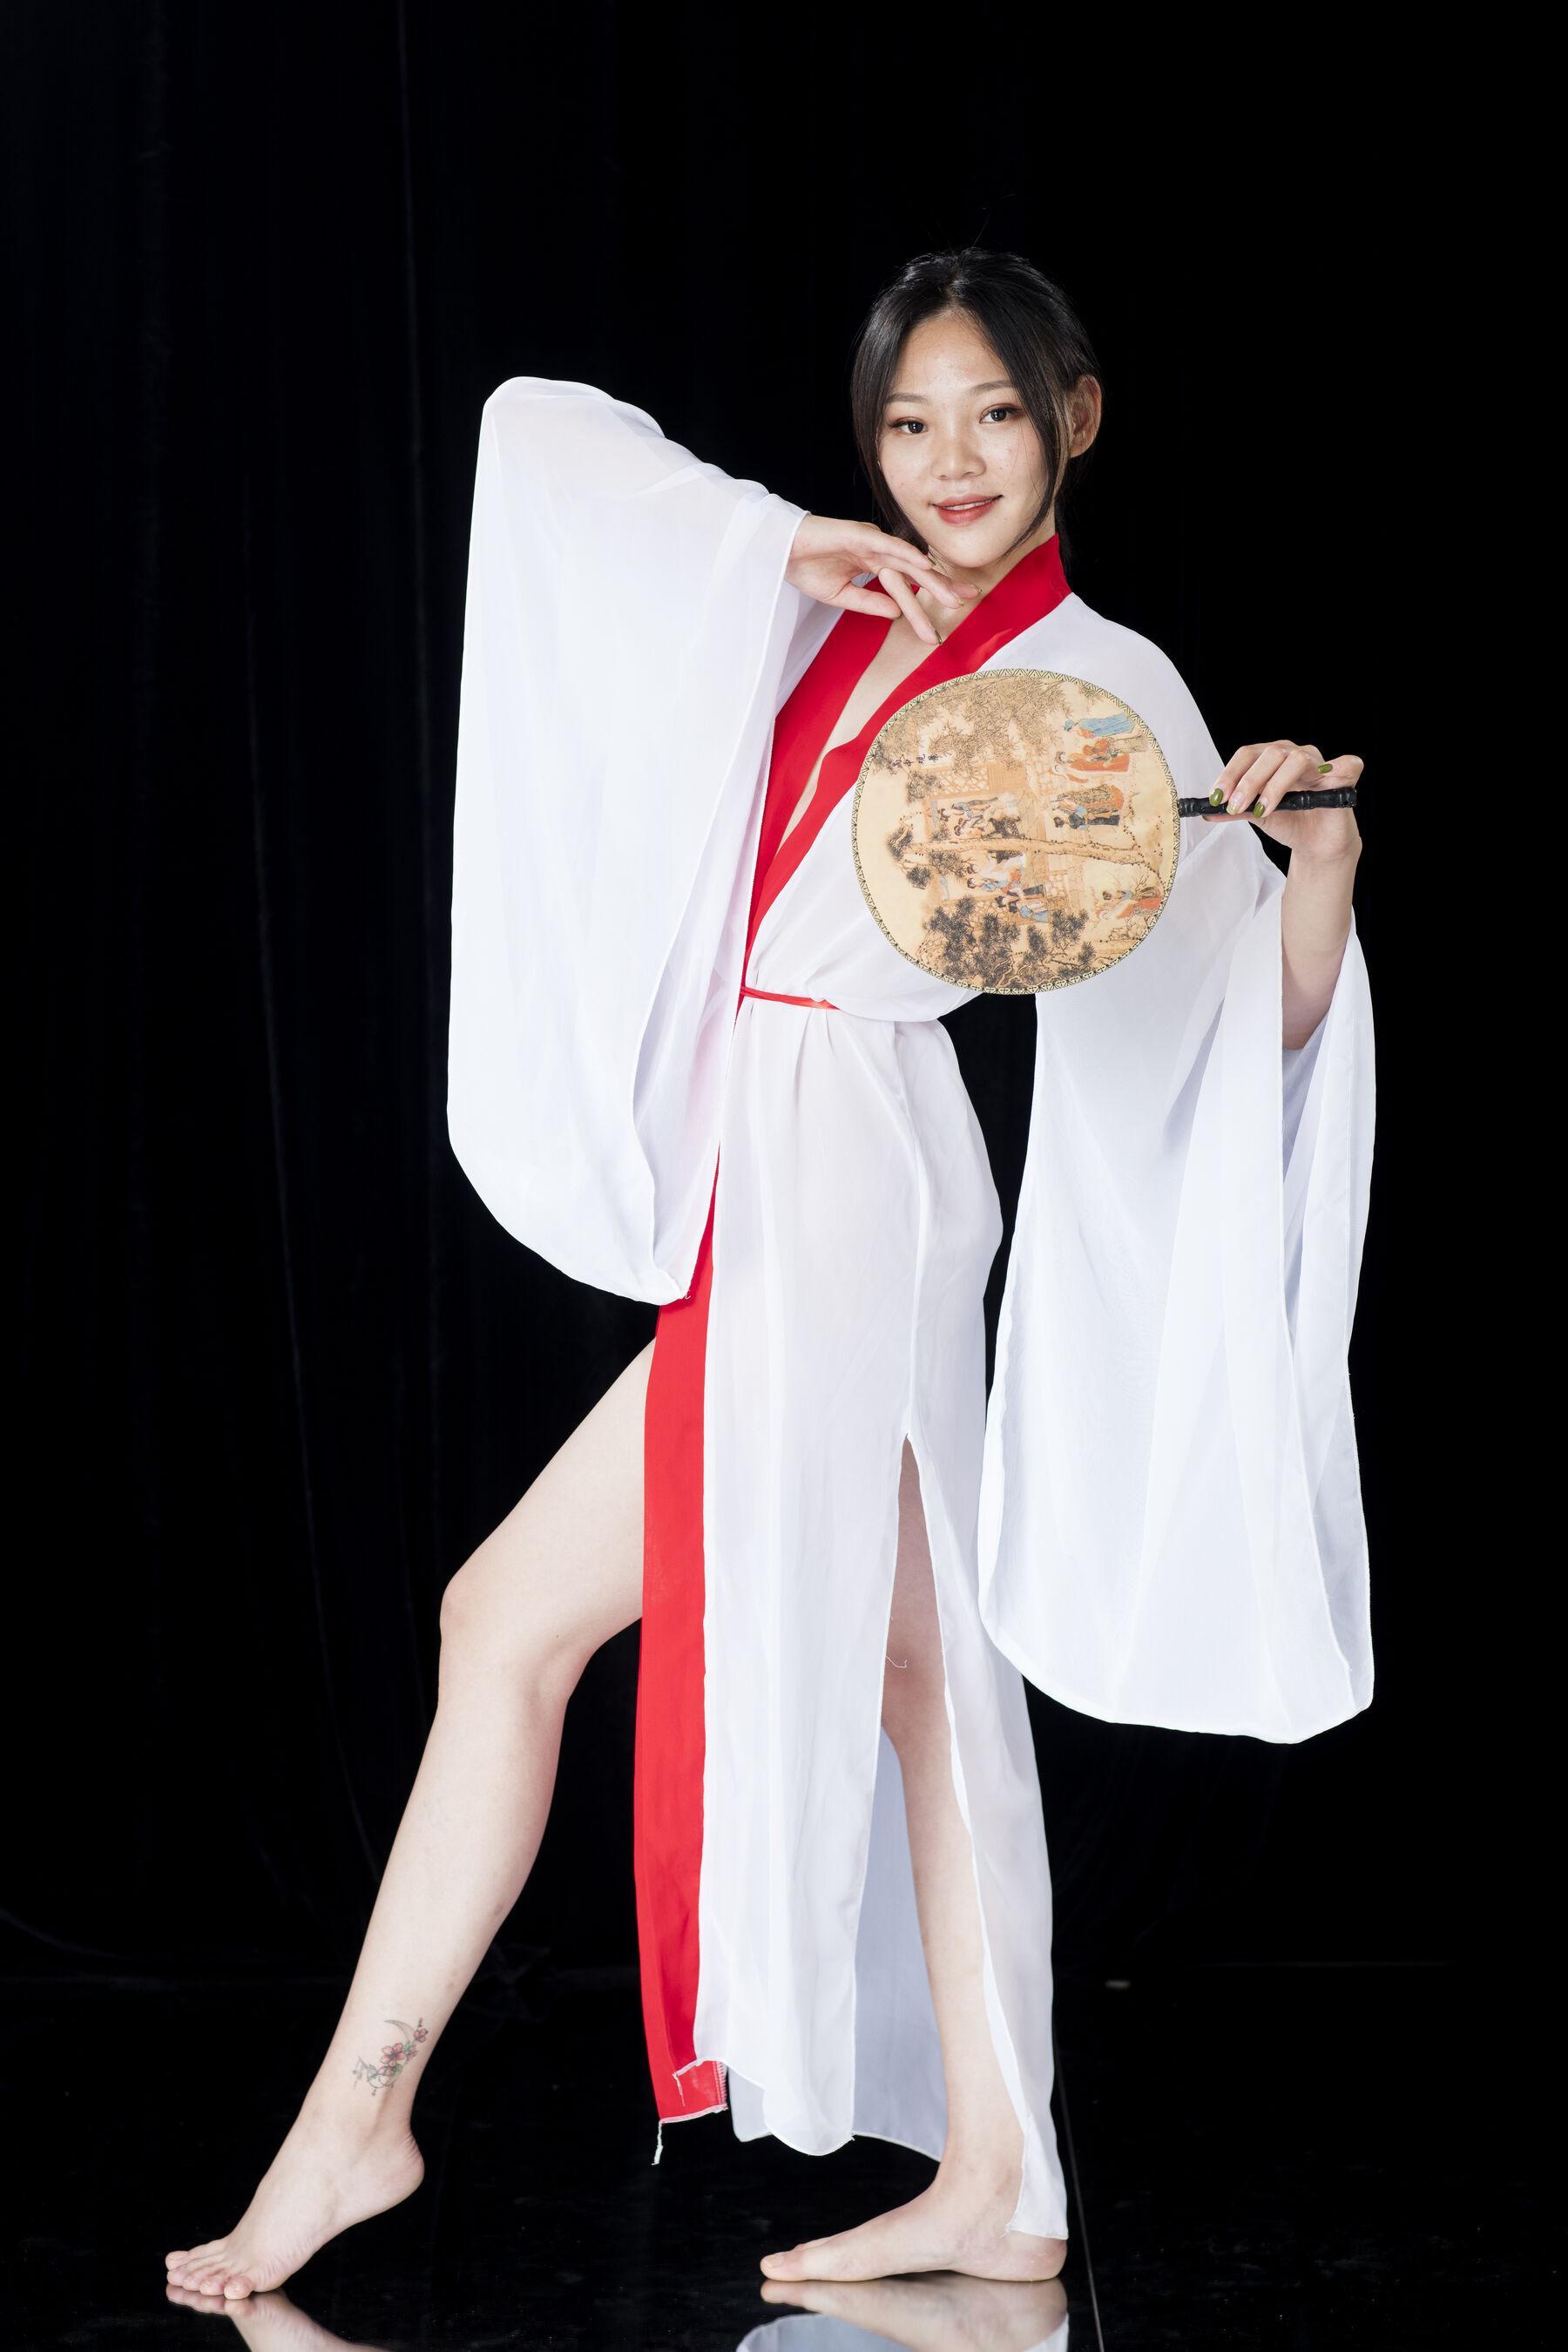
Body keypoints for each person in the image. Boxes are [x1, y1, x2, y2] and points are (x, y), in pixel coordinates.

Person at [165, 248, 1373, 2304]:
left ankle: (362, 2114)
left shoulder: (1100, 689)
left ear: (1077, 419)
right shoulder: (827, 603)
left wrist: (1315, 865)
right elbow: (533, 439)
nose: (949, 462)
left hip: (844, 1171)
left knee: (512, 1620)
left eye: (995, 414)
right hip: (795, 1154)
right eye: (907, 423)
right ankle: (1005, 2169)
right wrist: (770, 544)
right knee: (922, 1678)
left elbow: (1229, 1022)